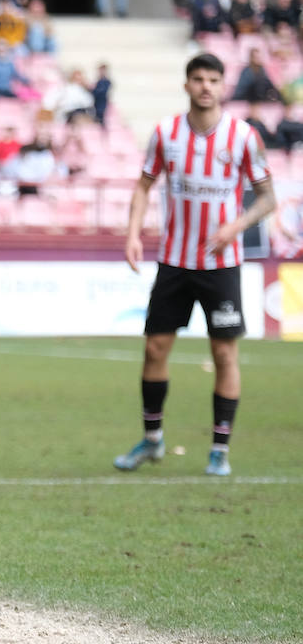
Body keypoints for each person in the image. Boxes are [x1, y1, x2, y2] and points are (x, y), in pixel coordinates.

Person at [118, 53, 276, 479]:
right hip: (174, 260)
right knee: (155, 349)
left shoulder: (243, 137)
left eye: (213, 79)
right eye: (198, 79)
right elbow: (143, 186)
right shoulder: (165, 134)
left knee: (224, 352)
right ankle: (152, 441)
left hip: (222, 264)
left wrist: (236, 226)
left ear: (223, 86)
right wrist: (133, 232)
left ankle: (219, 450)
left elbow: (267, 198)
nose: (206, 86)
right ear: (186, 85)